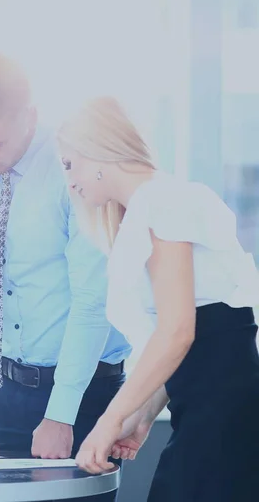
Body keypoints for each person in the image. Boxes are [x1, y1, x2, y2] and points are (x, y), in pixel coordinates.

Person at [0, 54, 131, 501]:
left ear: (31, 118)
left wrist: (62, 414)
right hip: (6, 391)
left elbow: (92, 299)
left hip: (85, 391)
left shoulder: (75, 168)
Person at [58, 97, 259, 501]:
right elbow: (196, 331)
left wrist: (109, 422)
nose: (70, 182)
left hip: (220, 411)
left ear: (98, 150)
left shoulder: (161, 202)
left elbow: (179, 333)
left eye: (69, 165)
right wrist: (144, 414)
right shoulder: (153, 205)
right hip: (212, 405)